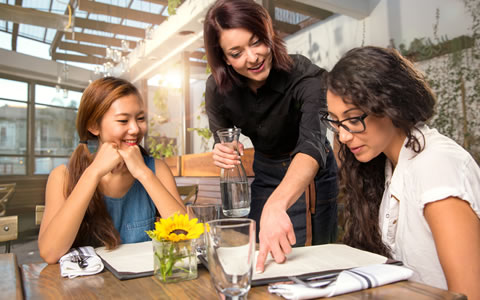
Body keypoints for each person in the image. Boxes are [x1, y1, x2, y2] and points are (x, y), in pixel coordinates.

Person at [323, 46, 480, 299]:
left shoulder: (436, 166)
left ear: (390, 106)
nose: (342, 135)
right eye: (334, 120)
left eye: (353, 119)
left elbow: (469, 294)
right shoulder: (388, 165)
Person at [203, 0, 339, 273]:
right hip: (265, 172)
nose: (252, 58)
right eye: (236, 52)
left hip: (309, 174)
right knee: (259, 256)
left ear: (268, 33)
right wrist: (223, 149)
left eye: (256, 42)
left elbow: (313, 144)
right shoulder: (217, 89)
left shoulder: (304, 77)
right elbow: (223, 138)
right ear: (224, 58)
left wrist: (277, 204)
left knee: (307, 262)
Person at [38, 77, 186, 264]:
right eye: (123, 120)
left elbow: (187, 235)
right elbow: (50, 253)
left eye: (140, 119)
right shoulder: (62, 176)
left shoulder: (156, 169)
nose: (135, 129)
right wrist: (94, 173)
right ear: (93, 126)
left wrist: (143, 173)